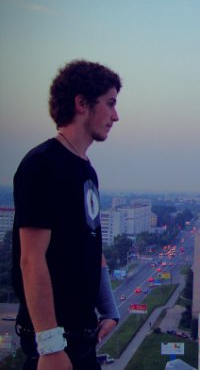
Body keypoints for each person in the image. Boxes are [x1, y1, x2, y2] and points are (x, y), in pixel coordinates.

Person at [12, 60, 122, 370]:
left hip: (83, 341)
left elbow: (92, 247)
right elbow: (31, 259)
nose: (116, 116)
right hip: (54, 347)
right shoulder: (42, 164)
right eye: (110, 103)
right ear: (82, 103)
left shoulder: (86, 170)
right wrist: (50, 346)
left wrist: (109, 309)